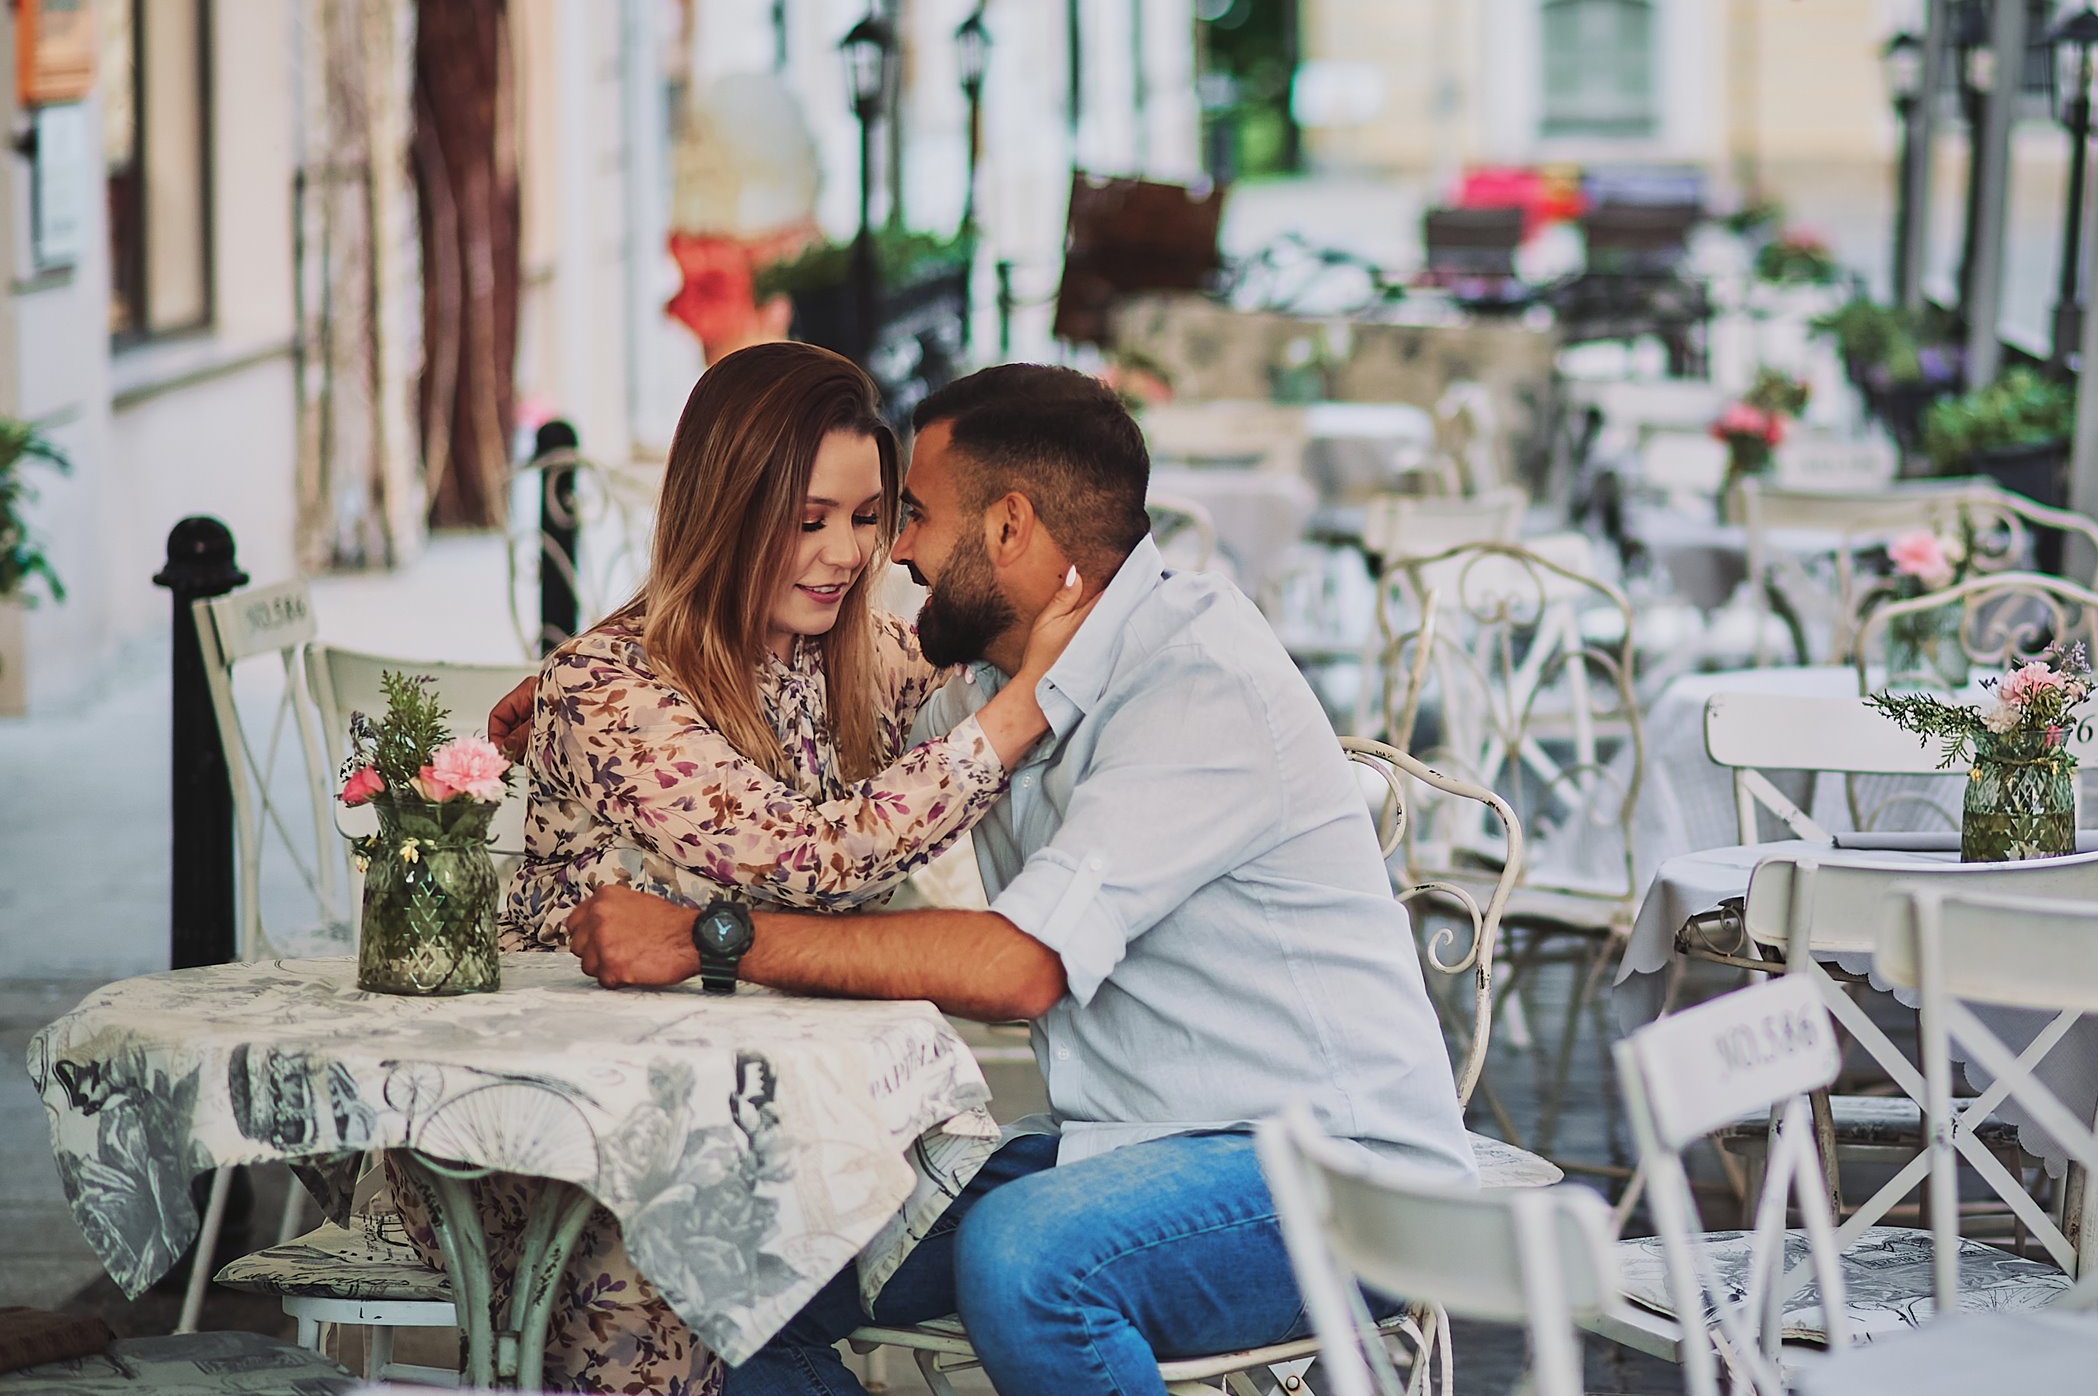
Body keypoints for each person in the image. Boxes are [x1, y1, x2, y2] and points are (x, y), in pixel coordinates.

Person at [558, 364, 1475, 1396]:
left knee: (1026, 1258)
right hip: (1129, 1148)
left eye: (907, 515)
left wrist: (702, 937)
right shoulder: (993, 685)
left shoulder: (1193, 681)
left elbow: (1019, 969)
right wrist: (588, 683)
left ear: (1008, 528)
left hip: (1337, 1172)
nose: (887, 550)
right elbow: (796, 746)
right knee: (745, 1261)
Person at [415, 343, 1092, 1394]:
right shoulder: (610, 688)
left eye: (867, 518)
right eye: (806, 518)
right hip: (598, 1165)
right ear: (725, 509)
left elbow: (988, 644)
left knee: (1078, 1206)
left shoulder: (848, 657)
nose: (844, 554)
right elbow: (805, 860)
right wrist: (1018, 714)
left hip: (777, 1135)